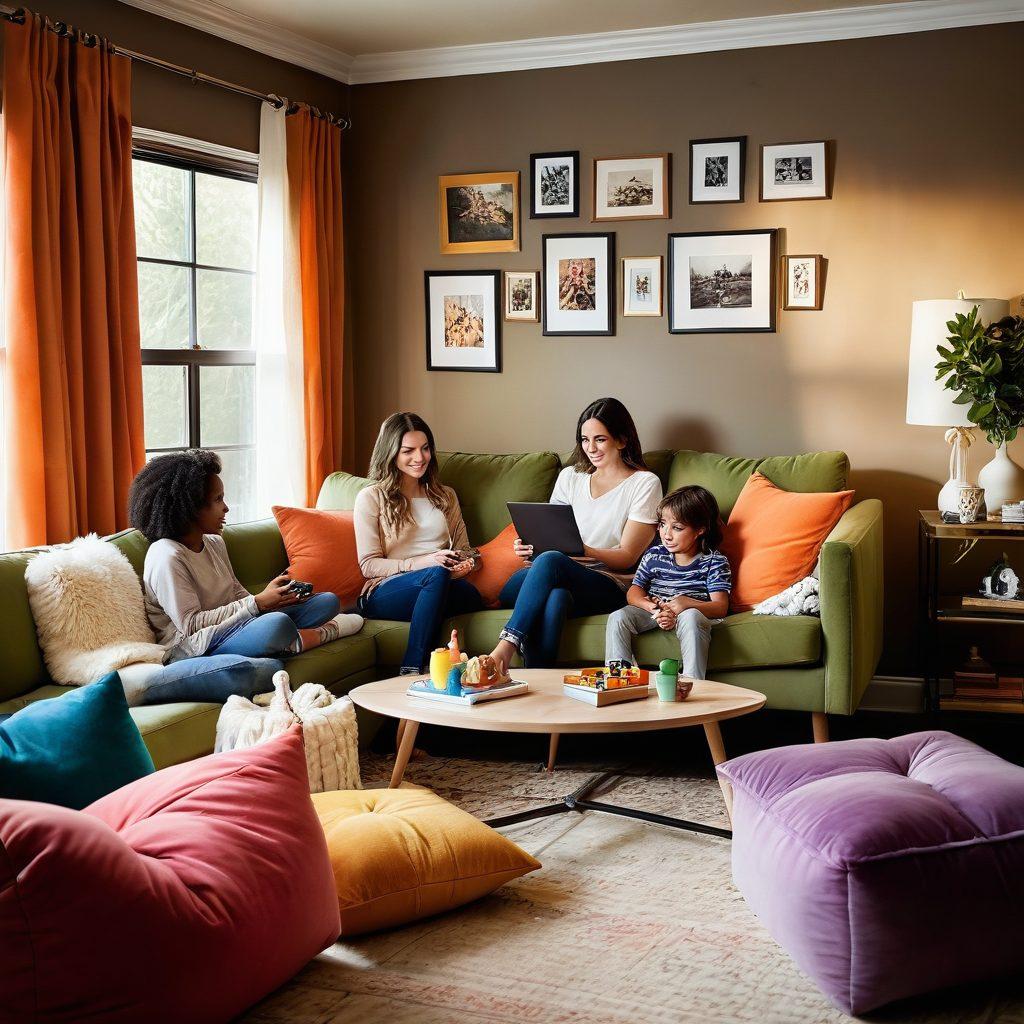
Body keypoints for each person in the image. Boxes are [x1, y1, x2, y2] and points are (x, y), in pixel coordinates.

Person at [129, 450, 362, 702]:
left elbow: (236, 593)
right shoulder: (166, 555)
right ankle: (299, 639)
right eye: (218, 499)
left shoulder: (215, 543)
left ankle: (287, 641)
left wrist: (270, 596)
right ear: (190, 507)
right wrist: (258, 604)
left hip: (235, 627)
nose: (226, 507)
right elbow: (191, 625)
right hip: (196, 645)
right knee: (277, 625)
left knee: (326, 601)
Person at [489, 397, 662, 674]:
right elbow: (550, 533)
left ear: (622, 439)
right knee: (555, 595)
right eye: (584, 439)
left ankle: (506, 645)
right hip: (551, 574)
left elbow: (627, 556)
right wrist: (530, 547)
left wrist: (582, 550)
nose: (590, 448)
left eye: (600, 439)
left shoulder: (644, 483)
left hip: (606, 582)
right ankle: (538, 684)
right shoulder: (570, 476)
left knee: (553, 560)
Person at [354, 412, 483, 674]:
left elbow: (466, 549)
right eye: (408, 451)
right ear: (390, 453)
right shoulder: (372, 497)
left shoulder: (445, 496)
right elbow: (368, 566)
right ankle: (412, 668)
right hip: (387, 591)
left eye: (425, 449)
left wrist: (467, 564)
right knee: (435, 574)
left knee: (472, 596)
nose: (420, 458)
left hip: (440, 583)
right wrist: (424, 563)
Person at [605, 486, 731, 680]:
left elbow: (720, 607)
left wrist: (686, 604)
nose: (666, 534)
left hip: (690, 615)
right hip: (655, 610)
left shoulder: (714, 561)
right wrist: (652, 607)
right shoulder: (655, 554)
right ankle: (620, 679)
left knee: (690, 617)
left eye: (677, 528)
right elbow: (634, 591)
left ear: (700, 529)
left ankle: (693, 682)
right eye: (663, 524)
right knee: (618, 617)